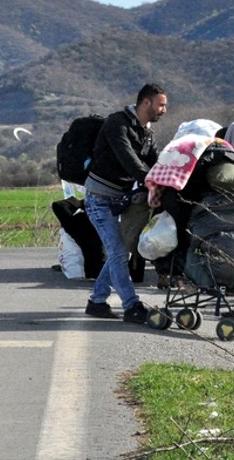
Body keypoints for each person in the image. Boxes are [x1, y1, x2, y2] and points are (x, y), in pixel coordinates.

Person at [82, 83, 167, 324]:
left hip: (119, 200)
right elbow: (129, 160)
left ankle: (97, 302)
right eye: (161, 105)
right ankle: (132, 306)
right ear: (146, 102)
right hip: (98, 200)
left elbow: (155, 162)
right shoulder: (116, 124)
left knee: (122, 252)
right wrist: (151, 180)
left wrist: (171, 178)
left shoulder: (146, 132)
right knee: (119, 252)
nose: (164, 110)